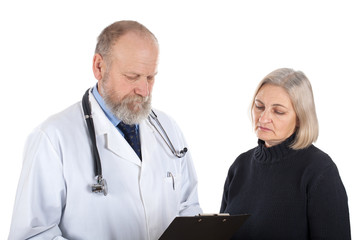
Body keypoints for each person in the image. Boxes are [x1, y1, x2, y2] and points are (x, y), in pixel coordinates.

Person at [9, 20, 202, 240]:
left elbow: (189, 207)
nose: (144, 90)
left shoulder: (168, 130)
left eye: (150, 77)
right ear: (99, 67)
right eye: (132, 77)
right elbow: (32, 235)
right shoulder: (53, 138)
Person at [220, 68, 351, 239]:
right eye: (259, 106)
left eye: (278, 111)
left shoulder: (320, 171)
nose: (263, 118)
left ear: (300, 119)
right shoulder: (240, 166)